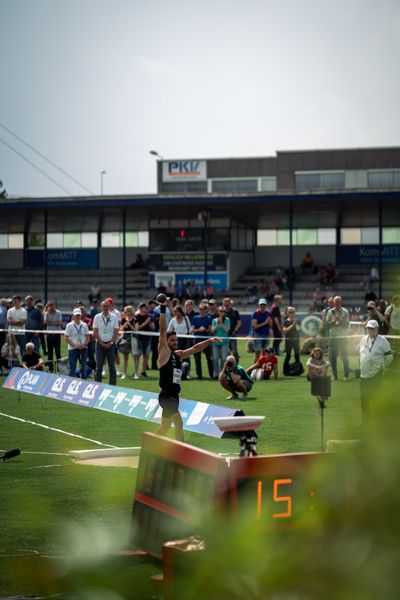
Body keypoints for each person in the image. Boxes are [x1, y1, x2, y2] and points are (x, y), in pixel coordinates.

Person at [156, 298, 221, 441]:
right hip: (166, 396)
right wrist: (162, 309)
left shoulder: (178, 355)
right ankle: (183, 451)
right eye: (172, 340)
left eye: (176, 340)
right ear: (166, 342)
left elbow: (195, 348)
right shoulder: (164, 353)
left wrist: (209, 340)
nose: (175, 342)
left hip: (175, 395)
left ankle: (151, 445)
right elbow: (162, 331)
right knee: (179, 423)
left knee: (165, 427)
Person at [359, 319, 393, 428]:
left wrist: (381, 367)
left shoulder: (383, 341)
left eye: (372, 328)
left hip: (376, 375)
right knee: (363, 400)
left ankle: (378, 424)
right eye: (368, 328)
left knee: (375, 399)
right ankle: (365, 423)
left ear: (377, 329)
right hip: (363, 375)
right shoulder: (364, 339)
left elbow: (389, 357)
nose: (370, 330)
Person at [93, 299, 120, 385]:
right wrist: (100, 342)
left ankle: (113, 386)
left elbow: (116, 331)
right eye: (104, 306)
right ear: (101, 307)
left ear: (110, 307)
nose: (105, 308)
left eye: (107, 306)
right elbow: (95, 331)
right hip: (99, 344)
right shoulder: (97, 317)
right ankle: (98, 384)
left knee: (112, 366)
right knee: (99, 367)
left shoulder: (114, 317)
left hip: (111, 345)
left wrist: (111, 342)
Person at [326, 296, 350, 381]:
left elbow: (346, 325)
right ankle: (335, 376)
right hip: (333, 337)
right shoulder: (329, 312)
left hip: (343, 336)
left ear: (341, 302)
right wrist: (334, 322)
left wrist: (339, 320)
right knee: (333, 357)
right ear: (333, 302)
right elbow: (327, 325)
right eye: (336, 301)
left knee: (344, 356)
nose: (337, 303)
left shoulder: (345, 312)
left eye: (339, 301)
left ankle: (346, 375)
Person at [64, 308, 90, 379]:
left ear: (81, 315)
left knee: (83, 368)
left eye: (79, 315)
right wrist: (74, 345)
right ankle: (70, 384)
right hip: (72, 349)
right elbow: (66, 337)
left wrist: (84, 345)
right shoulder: (69, 325)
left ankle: (84, 384)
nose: (77, 316)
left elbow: (88, 337)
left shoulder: (84, 325)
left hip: (83, 349)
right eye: (76, 315)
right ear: (73, 316)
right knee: (72, 368)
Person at [167, 305, 192, 379]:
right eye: (174, 311)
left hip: (185, 339)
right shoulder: (173, 320)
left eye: (176, 311)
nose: (174, 313)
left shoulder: (186, 318)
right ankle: (177, 373)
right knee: (176, 356)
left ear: (180, 312)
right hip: (176, 340)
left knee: (186, 356)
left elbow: (190, 329)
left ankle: (187, 373)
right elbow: (169, 330)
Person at [191, 302, 213, 379]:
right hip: (197, 340)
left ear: (206, 310)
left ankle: (211, 375)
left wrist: (205, 329)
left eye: (203, 309)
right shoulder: (195, 318)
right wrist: (199, 329)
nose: (201, 310)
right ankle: (199, 375)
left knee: (209, 358)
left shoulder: (209, 318)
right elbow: (192, 330)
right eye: (200, 309)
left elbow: (210, 330)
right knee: (197, 358)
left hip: (206, 340)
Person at [135, 302, 155, 377]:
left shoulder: (149, 316)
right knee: (138, 355)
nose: (147, 309)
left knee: (146, 355)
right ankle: (136, 371)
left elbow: (153, 328)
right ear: (140, 308)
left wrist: (149, 323)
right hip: (139, 339)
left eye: (147, 308)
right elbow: (137, 328)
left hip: (148, 338)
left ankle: (144, 371)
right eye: (145, 308)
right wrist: (146, 322)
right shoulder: (136, 317)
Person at [210, 305, 230, 379]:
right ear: (218, 312)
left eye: (223, 311)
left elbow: (227, 330)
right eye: (220, 311)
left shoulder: (227, 320)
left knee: (224, 358)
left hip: (224, 342)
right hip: (215, 342)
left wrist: (221, 323)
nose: (222, 313)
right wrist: (217, 324)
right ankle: (216, 374)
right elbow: (212, 331)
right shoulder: (214, 320)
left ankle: (223, 373)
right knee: (215, 358)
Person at [44, 299, 63, 371]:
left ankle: (60, 367)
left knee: (58, 352)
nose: (51, 307)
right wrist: (47, 314)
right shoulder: (46, 313)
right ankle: (50, 367)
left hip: (56, 334)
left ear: (54, 305)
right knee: (50, 353)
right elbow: (46, 322)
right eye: (49, 305)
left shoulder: (58, 313)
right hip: (49, 334)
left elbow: (60, 323)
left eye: (52, 305)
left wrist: (51, 323)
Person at [119, 305, 137, 380]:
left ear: (130, 311)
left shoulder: (135, 319)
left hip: (133, 338)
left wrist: (129, 324)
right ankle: (124, 373)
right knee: (125, 357)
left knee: (134, 356)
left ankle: (135, 373)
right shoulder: (123, 320)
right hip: (125, 339)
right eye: (125, 311)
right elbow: (121, 329)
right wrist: (124, 326)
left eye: (126, 311)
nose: (125, 312)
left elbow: (136, 330)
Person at [282, 306, 301, 376]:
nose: (292, 313)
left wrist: (296, 324)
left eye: (293, 312)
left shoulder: (297, 320)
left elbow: (299, 329)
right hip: (288, 340)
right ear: (287, 313)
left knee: (297, 355)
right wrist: (293, 324)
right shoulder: (286, 321)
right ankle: (285, 371)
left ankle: (298, 370)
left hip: (296, 340)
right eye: (290, 312)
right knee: (288, 356)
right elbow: (285, 330)